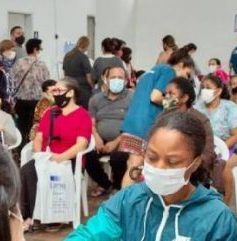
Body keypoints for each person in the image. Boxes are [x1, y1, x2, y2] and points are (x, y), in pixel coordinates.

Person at [58, 111, 237, 241]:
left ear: (195, 164)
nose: (159, 168)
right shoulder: (129, 200)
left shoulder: (216, 218)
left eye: (172, 162)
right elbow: (81, 239)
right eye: (152, 158)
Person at [20, 78, 92, 230]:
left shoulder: (83, 115)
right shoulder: (50, 113)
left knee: (51, 175)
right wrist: (40, 156)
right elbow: (39, 138)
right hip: (47, 157)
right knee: (28, 170)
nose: (56, 94)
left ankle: (53, 217)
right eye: (54, 91)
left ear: (71, 92)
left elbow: (82, 144)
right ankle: (31, 216)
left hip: (69, 160)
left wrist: (61, 157)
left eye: (59, 91)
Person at [119, 52, 195, 186]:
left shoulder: (152, 71)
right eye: (187, 74)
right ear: (182, 65)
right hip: (143, 125)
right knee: (134, 168)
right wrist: (177, 103)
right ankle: (123, 204)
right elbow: (155, 97)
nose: (185, 80)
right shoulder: (169, 71)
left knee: (132, 166)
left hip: (132, 122)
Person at [85, 66, 134, 196]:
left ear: (125, 80)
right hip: (101, 138)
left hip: (125, 137)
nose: (117, 80)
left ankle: (118, 186)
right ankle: (105, 184)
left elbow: (134, 124)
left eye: (120, 78)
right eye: (113, 77)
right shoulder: (96, 99)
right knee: (86, 154)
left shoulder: (132, 98)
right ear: (105, 79)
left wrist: (116, 142)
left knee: (119, 158)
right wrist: (96, 137)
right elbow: (91, 122)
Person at [196, 75, 237, 203]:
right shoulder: (197, 107)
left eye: (208, 88)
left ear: (218, 91)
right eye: (203, 88)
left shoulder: (229, 107)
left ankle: (224, 202)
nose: (204, 91)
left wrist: (220, 148)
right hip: (206, 146)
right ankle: (200, 198)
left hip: (230, 146)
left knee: (225, 166)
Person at [162, 77, 219, 184]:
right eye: (165, 94)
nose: (166, 97)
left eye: (171, 94)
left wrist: (187, 165)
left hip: (193, 170)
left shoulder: (200, 120)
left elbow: (208, 153)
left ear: (184, 98)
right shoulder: (163, 116)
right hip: (164, 165)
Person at [11, 38, 50, 144]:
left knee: (21, 128)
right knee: (35, 128)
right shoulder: (41, 65)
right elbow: (46, 83)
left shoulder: (19, 62)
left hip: (21, 101)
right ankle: (32, 151)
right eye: (40, 48)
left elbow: (12, 79)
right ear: (35, 49)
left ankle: (20, 151)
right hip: (36, 102)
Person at [63, 36, 94, 108]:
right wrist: (92, 87)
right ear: (86, 46)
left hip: (70, 88)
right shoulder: (83, 57)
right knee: (83, 112)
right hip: (83, 90)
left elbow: (64, 73)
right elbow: (88, 76)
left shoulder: (67, 55)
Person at [0, 40, 18, 111]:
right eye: (8, 50)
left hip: (18, 98)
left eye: (12, 49)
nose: (11, 52)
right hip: (5, 97)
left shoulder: (19, 63)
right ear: (2, 51)